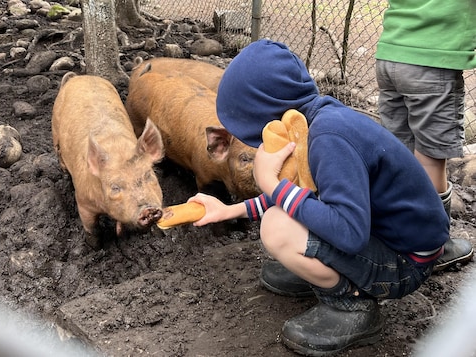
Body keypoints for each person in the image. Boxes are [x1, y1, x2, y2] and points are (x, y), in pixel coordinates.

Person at [188, 39, 449, 356]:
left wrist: (271, 184)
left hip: (407, 262)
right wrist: (229, 211)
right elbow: (304, 193)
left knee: (276, 227)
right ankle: (325, 270)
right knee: (285, 214)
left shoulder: (329, 140)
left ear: (264, 114)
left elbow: (349, 234)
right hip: (389, 237)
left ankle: (350, 305)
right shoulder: (315, 121)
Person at [375, 0, 476, 272]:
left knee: (398, 154)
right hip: (432, 61)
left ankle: (393, 234)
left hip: (390, 54)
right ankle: (431, 248)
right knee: (430, 159)